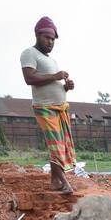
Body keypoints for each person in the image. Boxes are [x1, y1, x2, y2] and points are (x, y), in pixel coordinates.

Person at [20, 16, 76, 193]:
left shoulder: (51, 60)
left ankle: (55, 181)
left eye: (53, 39)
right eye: (47, 37)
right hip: (45, 108)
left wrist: (65, 87)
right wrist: (56, 76)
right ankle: (65, 182)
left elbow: (52, 84)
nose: (50, 42)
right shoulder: (29, 53)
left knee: (60, 144)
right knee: (55, 144)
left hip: (60, 108)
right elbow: (30, 78)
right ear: (37, 35)